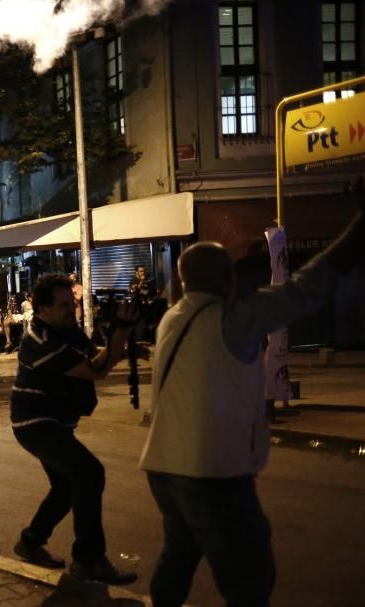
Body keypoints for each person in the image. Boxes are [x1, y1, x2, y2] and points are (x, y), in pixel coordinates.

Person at [139, 208, 364, 607]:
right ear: (229, 279)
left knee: (179, 553)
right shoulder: (232, 320)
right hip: (212, 474)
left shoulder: (171, 318)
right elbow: (304, 291)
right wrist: (355, 236)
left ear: (183, 279)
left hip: (164, 467)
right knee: (249, 570)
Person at [10, 274, 137, 585]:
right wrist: (119, 333)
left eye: (73, 303)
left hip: (56, 422)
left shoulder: (67, 331)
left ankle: (30, 542)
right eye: (64, 305)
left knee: (68, 485)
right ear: (41, 309)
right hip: (35, 423)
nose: (72, 309)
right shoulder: (40, 341)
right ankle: (88, 560)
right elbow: (97, 371)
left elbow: (100, 360)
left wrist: (120, 331)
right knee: (89, 473)